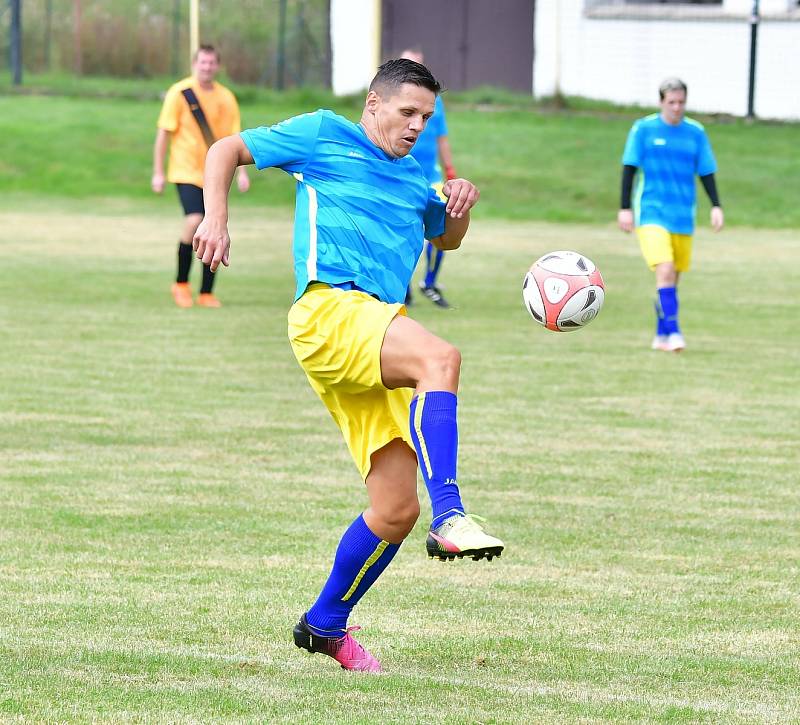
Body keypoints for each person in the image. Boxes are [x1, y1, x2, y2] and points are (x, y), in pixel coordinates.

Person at [193, 59, 504, 673]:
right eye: (406, 113)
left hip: (371, 328)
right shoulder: (322, 134)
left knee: (394, 508)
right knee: (441, 358)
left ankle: (324, 625)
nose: (416, 127)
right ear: (373, 104)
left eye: (426, 118)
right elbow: (225, 149)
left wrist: (460, 207)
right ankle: (452, 514)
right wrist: (216, 216)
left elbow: (445, 238)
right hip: (328, 311)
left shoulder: (417, 177)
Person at [618, 77, 723, 352]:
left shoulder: (695, 133)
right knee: (664, 269)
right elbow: (629, 168)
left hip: (682, 215)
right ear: (661, 102)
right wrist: (625, 208)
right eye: (671, 102)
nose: (677, 108)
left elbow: (706, 171)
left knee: (672, 279)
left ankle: (661, 335)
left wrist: (716, 205)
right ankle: (675, 332)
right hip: (652, 212)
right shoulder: (643, 129)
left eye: (681, 102)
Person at [152, 44, 250, 308]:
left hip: (215, 174)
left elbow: (235, 140)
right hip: (184, 170)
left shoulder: (226, 98)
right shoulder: (180, 93)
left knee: (215, 227)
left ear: (217, 66)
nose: (206, 67)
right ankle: (181, 284)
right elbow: (164, 133)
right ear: (195, 64)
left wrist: (241, 174)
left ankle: (206, 292)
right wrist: (158, 172)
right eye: (202, 63)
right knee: (195, 220)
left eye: (211, 63)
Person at [400, 48, 457, 309]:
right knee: (404, 231)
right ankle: (404, 286)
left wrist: (450, 169)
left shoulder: (434, 101)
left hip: (430, 175)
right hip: (402, 175)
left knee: (443, 222)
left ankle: (430, 282)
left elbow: (441, 137)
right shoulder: (393, 101)